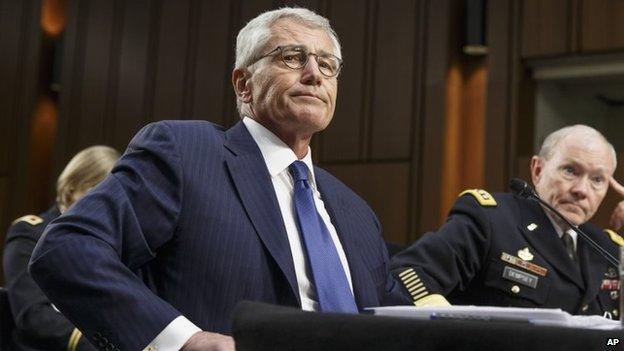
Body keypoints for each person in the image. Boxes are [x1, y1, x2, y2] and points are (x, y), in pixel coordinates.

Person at [29, 7, 405, 351]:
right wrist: (182, 340)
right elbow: (67, 248)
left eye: (327, 65)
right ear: (244, 84)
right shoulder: (185, 154)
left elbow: (394, 320)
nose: (314, 75)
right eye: (292, 57)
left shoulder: (357, 213)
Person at [391, 125, 624, 318]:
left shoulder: (610, 249)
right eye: (570, 171)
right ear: (538, 170)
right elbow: (410, 272)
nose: (581, 190)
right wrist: (456, 331)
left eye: (597, 179)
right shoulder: (491, 220)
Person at [3, 145, 119, 351]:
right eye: (97, 193)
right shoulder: (29, 233)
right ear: (70, 188)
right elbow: (34, 316)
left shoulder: (110, 243)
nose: (104, 205)